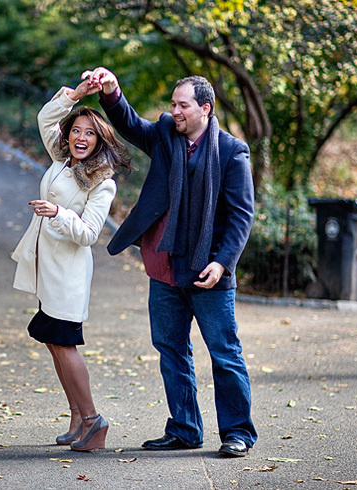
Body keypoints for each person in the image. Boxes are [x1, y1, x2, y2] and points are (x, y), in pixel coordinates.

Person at [86, 67, 257, 457]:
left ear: (205, 109)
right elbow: (130, 124)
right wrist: (111, 92)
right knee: (171, 350)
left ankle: (238, 433)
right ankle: (184, 429)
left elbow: (241, 215)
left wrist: (224, 262)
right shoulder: (164, 133)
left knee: (224, 354)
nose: (175, 111)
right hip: (163, 268)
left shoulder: (232, 151)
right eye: (173, 104)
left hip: (207, 272)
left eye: (183, 105)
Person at [11, 79, 132, 451]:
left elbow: (89, 234)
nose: (81, 138)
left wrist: (57, 212)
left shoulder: (102, 182)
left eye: (89, 133)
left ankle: (94, 422)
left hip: (68, 275)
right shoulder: (63, 161)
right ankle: (78, 416)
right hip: (48, 268)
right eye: (76, 130)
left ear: (100, 140)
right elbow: (46, 118)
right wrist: (76, 96)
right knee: (52, 340)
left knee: (63, 343)